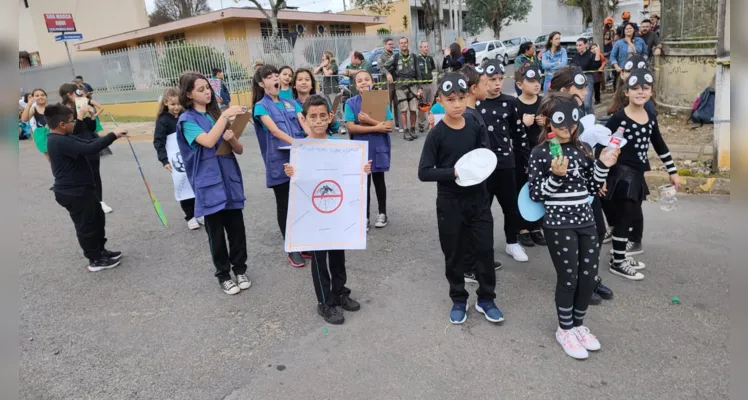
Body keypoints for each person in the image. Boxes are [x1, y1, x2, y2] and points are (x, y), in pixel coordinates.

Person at [527, 92, 620, 359]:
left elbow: (592, 187)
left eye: (572, 122)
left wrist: (603, 165)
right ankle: (564, 328)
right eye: (560, 122)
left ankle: (579, 324)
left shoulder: (583, 149)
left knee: (587, 278)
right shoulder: (539, 153)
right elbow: (536, 194)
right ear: (548, 123)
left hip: (586, 220)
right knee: (568, 279)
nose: (568, 128)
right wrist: (556, 177)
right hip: (558, 224)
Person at [418, 72, 503, 325]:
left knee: (485, 250)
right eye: (450, 99)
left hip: (478, 201)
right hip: (450, 203)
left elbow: (483, 157)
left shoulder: (474, 125)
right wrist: (453, 172)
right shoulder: (437, 134)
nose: (457, 104)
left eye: (461, 98)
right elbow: (424, 172)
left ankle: (486, 299)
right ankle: (458, 298)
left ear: (467, 97)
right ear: (440, 101)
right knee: (453, 254)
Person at [283, 94, 369, 324]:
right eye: (313, 117)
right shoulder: (300, 149)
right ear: (304, 119)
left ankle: (340, 292)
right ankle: (325, 302)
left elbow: (347, 175)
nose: (319, 121)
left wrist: (362, 168)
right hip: (314, 215)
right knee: (320, 258)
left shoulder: (339, 147)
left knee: (338, 254)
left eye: (323, 116)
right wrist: (291, 173)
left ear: (330, 116)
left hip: (336, 211)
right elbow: (298, 182)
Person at [176, 72, 251, 295]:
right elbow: (208, 141)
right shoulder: (187, 120)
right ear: (188, 94)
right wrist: (225, 115)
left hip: (228, 178)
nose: (207, 91)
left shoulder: (214, 115)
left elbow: (238, 149)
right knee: (216, 233)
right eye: (200, 89)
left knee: (237, 229)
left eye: (207, 87)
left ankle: (240, 269)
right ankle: (223, 275)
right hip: (208, 183)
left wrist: (232, 138)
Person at [603, 68, 679, 280]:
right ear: (625, 92)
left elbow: (660, 145)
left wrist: (672, 172)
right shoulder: (619, 118)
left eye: (645, 88)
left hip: (637, 175)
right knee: (625, 217)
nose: (640, 92)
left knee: (631, 216)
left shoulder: (650, 117)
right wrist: (600, 176)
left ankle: (619, 257)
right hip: (620, 176)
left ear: (651, 92)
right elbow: (602, 146)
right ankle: (618, 262)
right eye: (635, 88)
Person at [548, 66, 615, 304]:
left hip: (586, 184)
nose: (586, 92)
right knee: (571, 240)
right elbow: (548, 152)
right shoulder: (552, 116)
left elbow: (587, 148)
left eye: (586, 87)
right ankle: (575, 282)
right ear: (565, 90)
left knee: (596, 231)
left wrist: (600, 172)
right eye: (581, 87)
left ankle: (590, 278)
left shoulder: (581, 111)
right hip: (563, 190)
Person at [46, 103, 127, 271]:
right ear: (62, 125)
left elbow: (89, 141)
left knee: (97, 219)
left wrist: (104, 132)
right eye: (72, 121)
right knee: (87, 225)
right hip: (73, 192)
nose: (74, 123)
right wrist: (113, 135)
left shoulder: (65, 137)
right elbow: (89, 148)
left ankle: (101, 251)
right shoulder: (58, 141)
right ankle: (95, 259)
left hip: (83, 189)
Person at [251, 65, 311, 268]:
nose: (276, 79)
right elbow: (275, 131)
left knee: (302, 203)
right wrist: (299, 144)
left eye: (277, 75)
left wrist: (313, 140)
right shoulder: (260, 107)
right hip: (280, 162)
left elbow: (304, 123)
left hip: (301, 159)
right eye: (270, 77)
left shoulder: (291, 103)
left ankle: (303, 242)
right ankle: (291, 248)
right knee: (285, 205)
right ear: (261, 83)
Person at [476, 60, 529, 263]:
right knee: (482, 208)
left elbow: (519, 134)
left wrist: (525, 160)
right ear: (483, 81)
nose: (497, 83)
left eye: (500, 79)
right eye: (492, 79)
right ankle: (483, 246)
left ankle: (512, 242)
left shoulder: (510, 102)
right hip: (483, 166)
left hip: (506, 163)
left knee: (510, 206)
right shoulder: (476, 104)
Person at [344, 70, 393, 231]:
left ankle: (382, 213)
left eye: (367, 79)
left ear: (372, 81)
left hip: (378, 146)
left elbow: (389, 125)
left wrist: (370, 122)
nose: (364, 82)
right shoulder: (350, 103)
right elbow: (351, 127)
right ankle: (363, 217)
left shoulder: (381, 100)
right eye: (360, 81)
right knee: (363, 183)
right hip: (361, 148)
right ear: (355, 85)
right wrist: (377, 126)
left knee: (379, 181)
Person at [153, 87, 202, 230]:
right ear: (166, 103)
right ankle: (190, 216)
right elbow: (158, 141)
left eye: (179, 104)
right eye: (172, 104)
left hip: (192, 156)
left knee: (197, 185)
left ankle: (199, 213)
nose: (176, 107)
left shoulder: (186, 116)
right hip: (177, 161)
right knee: (184, 187)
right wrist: (164, 160)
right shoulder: (163, 121)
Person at [59, 83, 113, 214]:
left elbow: (91, 127)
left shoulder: (82, 105)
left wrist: (91, 115)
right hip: (76, 143)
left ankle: (100, 201)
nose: (78, 95)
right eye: (74, 93)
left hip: (90, 140)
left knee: (95, 172)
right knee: (81, 174)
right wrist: (79, 116)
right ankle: (87, 201)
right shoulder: (63, 111)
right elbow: (73, 131)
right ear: (69, 95)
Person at [514, 64, 547, 248]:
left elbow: (554, 129)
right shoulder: (514, 104)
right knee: (521, 188)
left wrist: (546, 123)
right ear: (520, 84)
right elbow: (510, 133)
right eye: (531, 80)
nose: (536, 84)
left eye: (538, 79)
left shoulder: (543, 102)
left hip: (540, 153)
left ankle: (536, 226)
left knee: (538, 188)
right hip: (521, 154)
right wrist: (522, 124)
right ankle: (522, 228)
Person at [383, 37, 423, 141]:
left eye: (405, 42)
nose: (403, 45)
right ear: (399, 45)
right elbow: (383, 66)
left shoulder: (414, 57)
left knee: (413, 110)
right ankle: (405, 131)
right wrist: (387, 74)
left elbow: (418, 73)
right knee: (403, 110)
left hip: (413, 86)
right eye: (401, 43)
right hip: (400, 87)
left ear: (407, 43)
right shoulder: (395, 57)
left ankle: (413, 129)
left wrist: (420, 88)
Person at [292, 68, 341, 137]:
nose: (304, 82)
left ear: (312, 84)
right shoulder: (291, 106)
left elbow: (335, 129)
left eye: (307, 79)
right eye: (300, 79)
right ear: (294, 84)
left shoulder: (322, 102)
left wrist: (331, 119)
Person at [21, 89, 52, 188]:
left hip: (54, 135)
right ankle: (59, 180)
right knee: (50, 160)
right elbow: (24, 119)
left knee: (59, 158)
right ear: (34, 98)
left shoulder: (52, 108)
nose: (40, 97)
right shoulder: (33, 109)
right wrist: (29, 104)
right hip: (41, 135)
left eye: (42, 95)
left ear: (46, 96)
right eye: (37, 95)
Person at [570, 38, 602, 113]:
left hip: (588, 78)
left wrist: (597, 53)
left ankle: (591, 120)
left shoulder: (591, 55)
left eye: (580, 45)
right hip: (576, 80)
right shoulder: (576, 56)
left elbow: (596, 66)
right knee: (578, 103)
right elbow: (571, 66)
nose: (578, 47)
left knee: (587, 103)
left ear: (586, 45)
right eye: (577, 45)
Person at [377, 38, 398, 131]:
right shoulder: (381, 56)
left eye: (392, 44)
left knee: (397, 104)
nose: (391, 46)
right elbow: (381, 67)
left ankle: (398, 124)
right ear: (385, 45)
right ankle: (387, 123)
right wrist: (387, 73)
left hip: (396, 83)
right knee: (387, 105)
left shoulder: (395, 55)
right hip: (386, 84)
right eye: (389, 44)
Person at [416, 40, 437, 133]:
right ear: (420, 48)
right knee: (422, 105)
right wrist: (419, 87)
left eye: (427, 46)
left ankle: (430, 123)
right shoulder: (417, 59)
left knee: (431, 103)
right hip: (422, 85)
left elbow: (432, 69)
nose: (426, 48)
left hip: (430, 83)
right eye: (424, 47)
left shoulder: (430, 58)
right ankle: (421, 123)